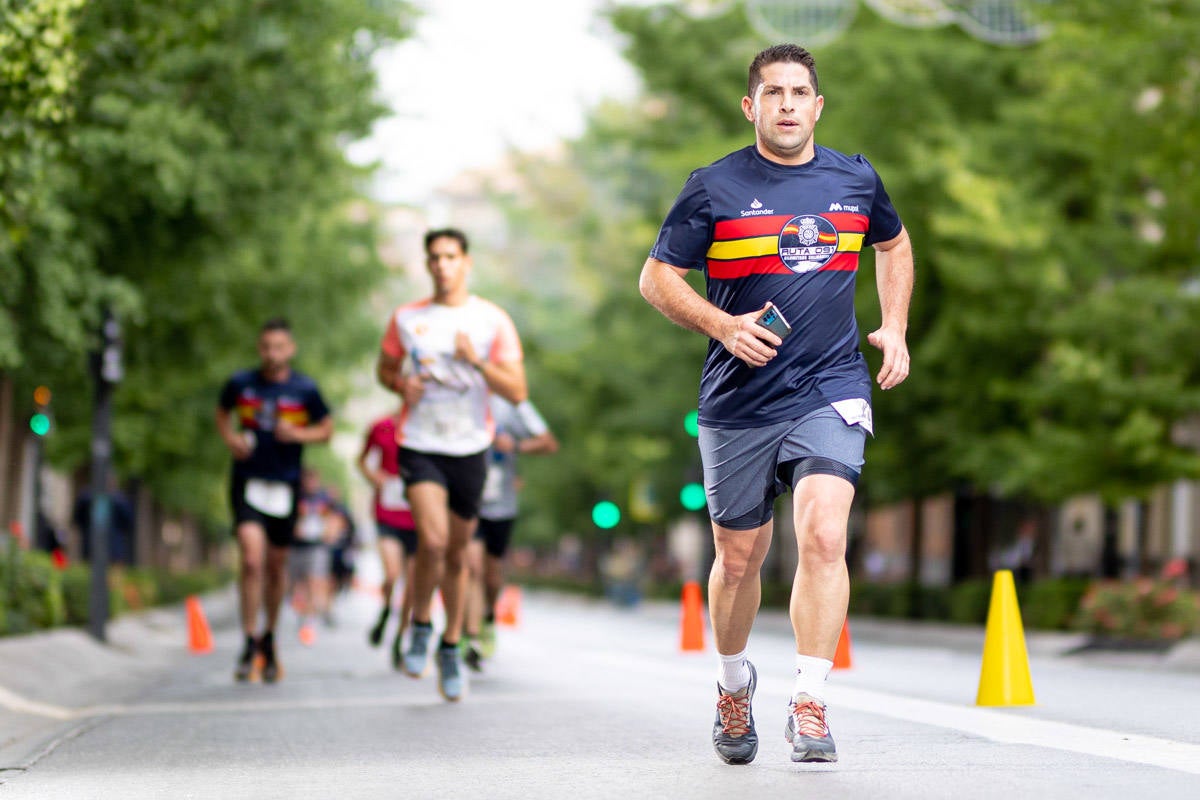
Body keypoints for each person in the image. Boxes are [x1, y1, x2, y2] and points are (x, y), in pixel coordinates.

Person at [639, 44, 913, 765]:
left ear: (817, 106)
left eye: (800, 92)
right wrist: (722, 326)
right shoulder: (713, 187)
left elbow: (895, 243)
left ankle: (811, 701)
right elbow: (656, 278)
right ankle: (734, 684)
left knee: (824, 533)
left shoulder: (855, 180)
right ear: (750, 106)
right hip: (738, 400)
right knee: (738, 558)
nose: (787, 104)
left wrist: (896, 325)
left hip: (831, 384)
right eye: (773, 92)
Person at [375, 228, 528, 702]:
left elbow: (517, 391)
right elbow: (383, 369)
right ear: (427, 265)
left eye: (450, 256)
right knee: (434, 541)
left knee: (459, 554)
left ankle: (449, 644)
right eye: (434, 258)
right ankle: (421, 624)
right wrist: (401, 387)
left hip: (470, 446)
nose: (442, 265)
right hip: (420, 442)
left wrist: (475, 362)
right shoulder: (407, 318)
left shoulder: (491, 320)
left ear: (466, 262)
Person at [216, 318, 333, 683]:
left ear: (290, 349)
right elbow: (222, 413)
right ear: (259, 347)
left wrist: (298, 433)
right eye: (266, 347)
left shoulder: (305, 389)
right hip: (248, 480)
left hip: (286, 484)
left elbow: (326, 429)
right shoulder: (241, 383)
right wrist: (231, 438)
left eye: (279, 347)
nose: (272, 354)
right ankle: (249, 638)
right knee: (252, 559)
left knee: (276, 566)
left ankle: (269, 637)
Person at [461, 395, 558, 670]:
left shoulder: (514, 404)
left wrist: (515, 445)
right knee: (472, 567)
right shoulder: (460, 393)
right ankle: (469, 636)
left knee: (492, 576)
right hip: (467, 500)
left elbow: (548, 442)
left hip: (501, 505)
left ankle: (487, 619)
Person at [358, 407, 419, 669]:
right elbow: (362, 460)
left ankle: (400, 637)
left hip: (419, 515)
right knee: (392, 574)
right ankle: (385, 611)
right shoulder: (381, 425)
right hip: (388, 511)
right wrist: (375, 478)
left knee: (413, 585)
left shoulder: (429, 425)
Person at [289, 468, 337, 643]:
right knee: (296, 584)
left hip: (317, 546)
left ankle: (309, 620)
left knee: (313, 581)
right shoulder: (296, 496)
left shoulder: (324, 499)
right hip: (296, 547)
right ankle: (301, 614)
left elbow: (335, 518)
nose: (310, 483)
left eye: (313, 479)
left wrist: (330, 531)